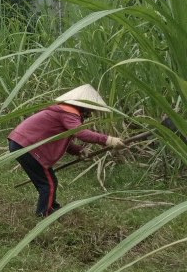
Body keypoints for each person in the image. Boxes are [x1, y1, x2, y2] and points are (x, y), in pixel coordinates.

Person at [8, 84, 125, 218]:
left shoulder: (61, 111)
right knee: (48, 184)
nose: (90, 114)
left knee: (48, 181)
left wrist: (78, 151)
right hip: (27, 146)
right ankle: (44, 214)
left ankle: (52, 208)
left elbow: (61, 138)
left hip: (20, 143)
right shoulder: (68, 113)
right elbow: (81, 133)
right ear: (83, 106)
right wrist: (108, 139)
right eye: (90, 110)